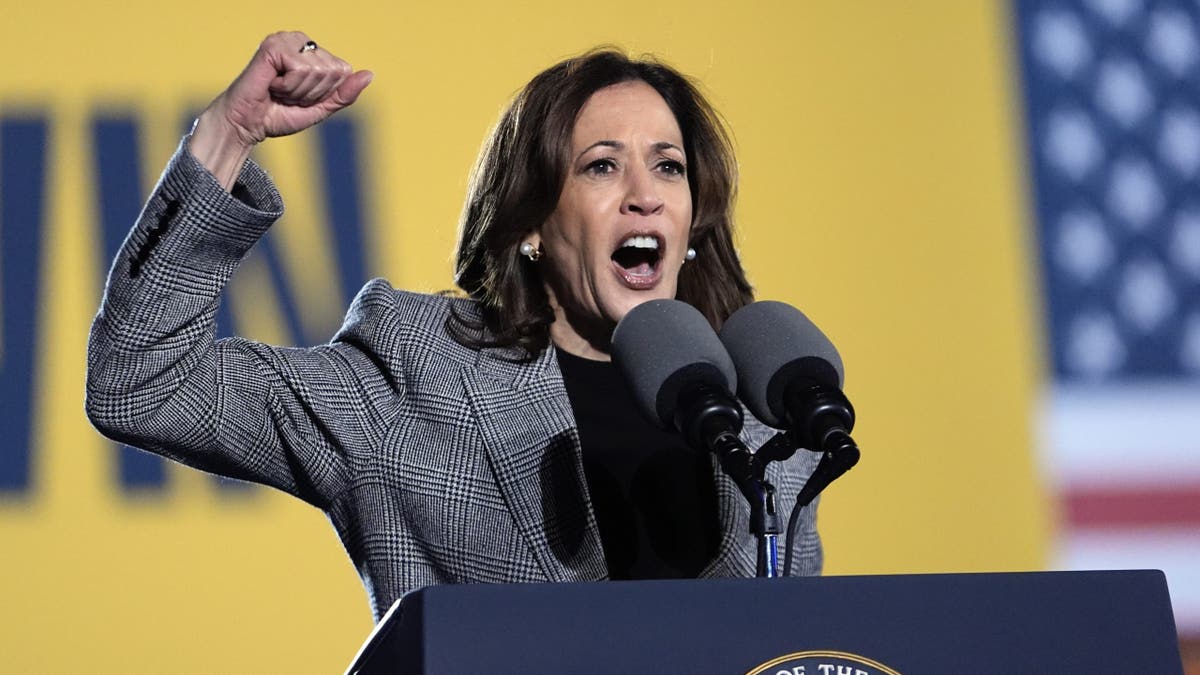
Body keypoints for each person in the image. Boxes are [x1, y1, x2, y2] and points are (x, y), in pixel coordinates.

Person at [85, 31, 822, 621]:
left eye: (668, 168)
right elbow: (144, 386)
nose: (644, 197)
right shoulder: (416, 373)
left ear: (695, 218)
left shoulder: (760, 425)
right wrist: (227, 134)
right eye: (601, 166)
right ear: (533, 221)